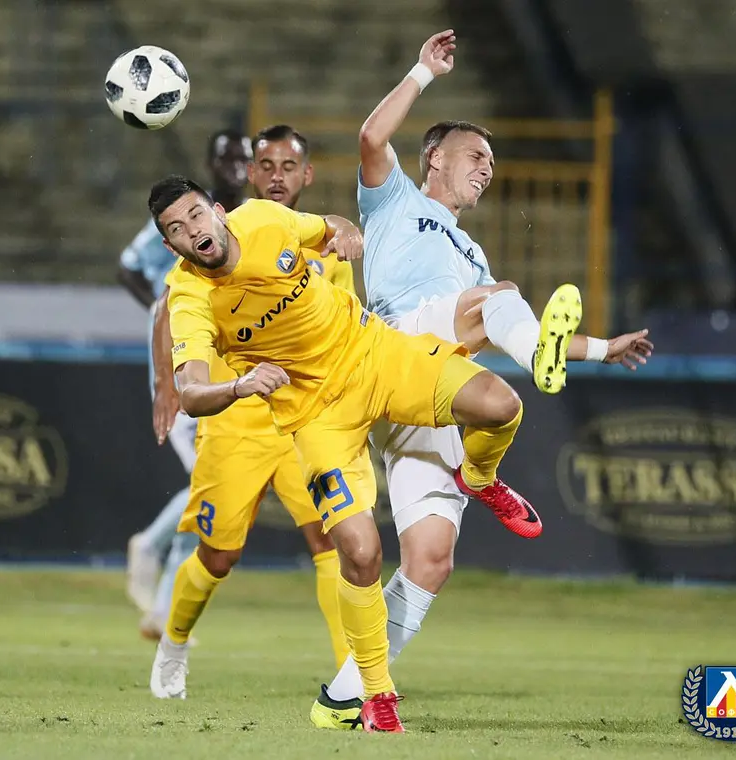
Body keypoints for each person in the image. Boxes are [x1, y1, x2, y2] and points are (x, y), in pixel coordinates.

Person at [310, 30, 654, 729]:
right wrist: (422, 71)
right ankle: (494, 447)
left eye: (493, 162)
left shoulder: (472, 255)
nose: (488, 169)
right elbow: (372, 136)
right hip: (392, 348)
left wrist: (602, 347)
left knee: (431, 561)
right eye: (477, 155)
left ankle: (342, 696)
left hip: (430, 393)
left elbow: (497, 318)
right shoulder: (391, 199)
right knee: (500, 300)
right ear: (435, 156)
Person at [148, 171, 536, 733]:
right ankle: (375, 696)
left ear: (218, 211)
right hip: (314, 416)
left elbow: (328, 227)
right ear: (170, 245)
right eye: (176, 229)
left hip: (374, 354)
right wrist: (238, 385)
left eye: (195, 215)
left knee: (501, 405)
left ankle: (478, 475)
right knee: (357, 552)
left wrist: (346, 230)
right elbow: (190, 393)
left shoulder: (263, 217)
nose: (192, 230)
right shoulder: (190, 296)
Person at [146, 125, 351, 670]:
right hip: (237, 422)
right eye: (266, 166)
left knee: (332, 542)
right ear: (250, 173)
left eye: (289, 167)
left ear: (308, 175)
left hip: (304, 420)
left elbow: (347, 328)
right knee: (219, 556)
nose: (277, 177)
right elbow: (169, 307)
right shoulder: (220, 242)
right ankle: (173, 642)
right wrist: (168, 383)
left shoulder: (320, 244)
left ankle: (354, 680)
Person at [119, 129, 253, 632]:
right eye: (226, 158)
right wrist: (166, 373)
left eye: (243, 157)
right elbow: (131, 272)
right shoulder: (182, 222)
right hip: (190, 366)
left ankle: (158, 574)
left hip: (233, 369)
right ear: (211, 166)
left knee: (214, 485)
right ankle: (160, 585)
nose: (236, 166)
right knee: (209, 484)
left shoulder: (251, 218)